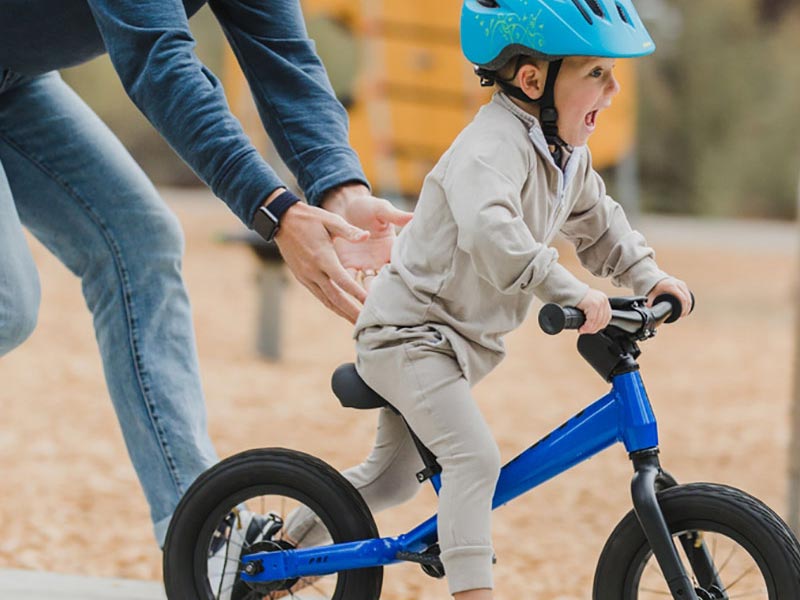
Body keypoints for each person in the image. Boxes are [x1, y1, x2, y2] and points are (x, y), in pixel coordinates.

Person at [278, 0, 693, 599]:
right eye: (597, 73)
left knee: (391, 482)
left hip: (453, 345)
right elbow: (494, 236)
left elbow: (602, 225)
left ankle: (282, 553)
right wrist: (572, 291)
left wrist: (649, 277)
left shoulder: (565, 155)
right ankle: (474, 592)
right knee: (475, 459)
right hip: (408, 335)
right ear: (532, 80)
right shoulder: (489, 149)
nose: (615, 86)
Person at [0, 0, 411, 553]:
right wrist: (274, 209)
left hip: (16, 79)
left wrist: (342, 189)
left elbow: (282, 55)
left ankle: (200, 537)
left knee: (139, 244)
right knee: (9, 303)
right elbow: (156, 60)